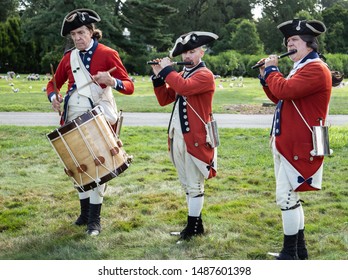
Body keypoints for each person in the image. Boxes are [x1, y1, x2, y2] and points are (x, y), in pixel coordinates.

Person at [46, 8, 134, 236]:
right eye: (73, 34)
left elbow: (129, 85)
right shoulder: (68, 58)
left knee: (98, 167)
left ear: (92, 32)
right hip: (72, 117)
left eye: (81, 33)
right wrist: (53, 97)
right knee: (77, 166)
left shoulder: (107, 53)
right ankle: (84, 214)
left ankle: (95, 219)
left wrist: (112, 81)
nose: (77, 38)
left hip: (99, 118)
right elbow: (52, 84)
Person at [257, 19, 332, 259]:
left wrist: (271, 70)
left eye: (294, 40)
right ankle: (300, 252)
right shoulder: (300, 67)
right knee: (291, 197)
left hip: (299, 144)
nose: (289, 44)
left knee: (286, 197)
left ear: (309, 44)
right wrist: (265, 75)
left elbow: (285, 90)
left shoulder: (315, 68)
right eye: (288, 41)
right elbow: (279, 97)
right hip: (288, 142)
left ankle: (290, 253)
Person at [150, 31, 218, 242]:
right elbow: (166, 98)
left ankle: (191, 229)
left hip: (196, 138)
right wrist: (157, 77)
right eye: (185, 53)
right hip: (179, 136)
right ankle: (196, 227)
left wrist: (167, 70)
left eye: (192, 52)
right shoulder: (184, 75)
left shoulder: (204, 74)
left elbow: (183, 87)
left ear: (201, 52)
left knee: (195, 184)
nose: (187, 57)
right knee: (187, 184)